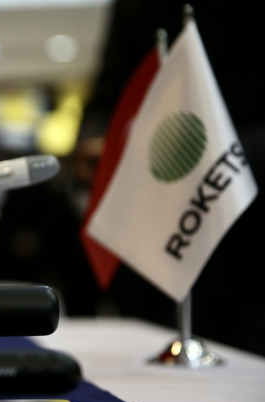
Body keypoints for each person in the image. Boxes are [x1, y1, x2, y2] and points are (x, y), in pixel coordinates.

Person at [77, 0, 265, 354]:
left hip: (248, 220)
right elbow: (112, 90)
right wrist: (96, 139)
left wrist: (224, 153)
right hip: (160, 217)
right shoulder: (139, 6)